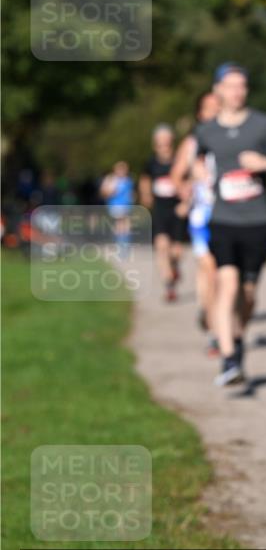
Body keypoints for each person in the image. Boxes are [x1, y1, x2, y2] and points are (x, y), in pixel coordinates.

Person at [196, 63, 266, 387]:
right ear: (218, 91)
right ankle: (229, 359)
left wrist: (263, 163)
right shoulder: (206, 131)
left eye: (241, 86)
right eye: (230, 85)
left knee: (248, 294)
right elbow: (196, 159)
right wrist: (198, 174)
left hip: (258, 220)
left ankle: (236, 336)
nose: (236, 92)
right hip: (223, 219)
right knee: (227, 284)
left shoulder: (263, 124)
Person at [171, 91, 221, 354]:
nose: (215, 112)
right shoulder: (192, 143)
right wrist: (186, 188)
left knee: (226, 275)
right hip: (203, 215)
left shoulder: (235, 137)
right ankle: (214, 331)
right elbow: (176, 175)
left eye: (219, 107)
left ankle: (213, 313)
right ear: (200, 114)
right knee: (209, 269)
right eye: (209, 108)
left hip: (232, 215)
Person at [139, 125, 189, 302]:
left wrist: (186, 202)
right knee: (161, 246)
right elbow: (144, 179)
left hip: (177, 210)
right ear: (155, 144)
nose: (163, 146)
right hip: (160, 209)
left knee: (176, 252)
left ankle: (174, 269)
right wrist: (145, 195)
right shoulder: (151, 163)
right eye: (160, 143)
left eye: (166, 142)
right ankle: (169, 285)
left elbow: (190, 181)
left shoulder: (179, 161)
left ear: (171, 142)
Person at [100, 160, 134, 259]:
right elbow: (105, 192)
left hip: (126, 205)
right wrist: (111, 190)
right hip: (116, 205)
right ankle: (122, 247)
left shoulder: (128, 180)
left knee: (126, 226)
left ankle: (124, 247)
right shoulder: (112, 179)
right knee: (120, 225)